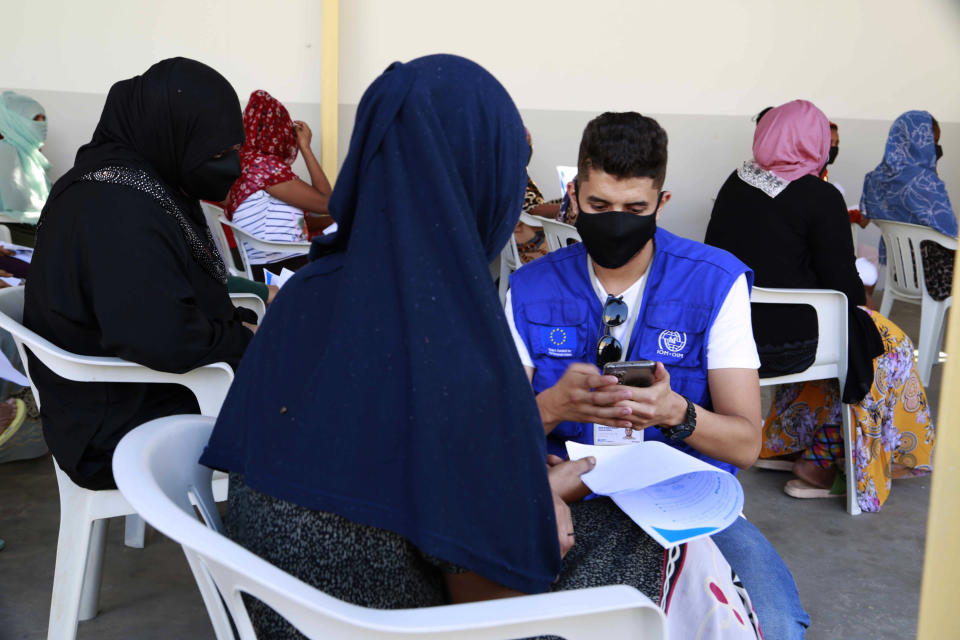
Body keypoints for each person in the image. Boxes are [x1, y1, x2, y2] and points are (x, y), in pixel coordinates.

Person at [201, 56, 761, 640]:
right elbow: (491, 597)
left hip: (276, 612)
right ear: (483, 183)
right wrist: (533, 500)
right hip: (397, 623)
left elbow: (403, 468)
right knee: (650, 565)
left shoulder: (305, 292)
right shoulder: (453, 332)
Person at [506, 111, 806, 639]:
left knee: (775, 624)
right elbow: (491, 435)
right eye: (599, 206)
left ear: (661, 203)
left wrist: (678, 413)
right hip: (561, 494)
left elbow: (745, 444)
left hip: (684, 504)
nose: (616, 220)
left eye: (635, 208)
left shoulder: (714, 283)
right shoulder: (529, 289)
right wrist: (554, 406)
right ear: (572, 195)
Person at [24, 58, 254, 490]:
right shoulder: (116, 207)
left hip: (132, 390)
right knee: (311, 408)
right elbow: (162, 337)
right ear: (171, 134)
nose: (233, 165)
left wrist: (234, 328)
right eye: (218, 154)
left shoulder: (133, 185)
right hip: (113, 426)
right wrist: (246, 339)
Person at [705, 100, 934, 512]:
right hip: (791, 342)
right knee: (887, 344)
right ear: (814, 145)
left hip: (733, 335)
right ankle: (822, 462)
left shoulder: (735, 183)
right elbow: (844, 286)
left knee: (851, 334)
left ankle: (784, 444)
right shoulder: (819, 195)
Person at [225, 90, 332, 281]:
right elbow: (327, 202)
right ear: (278, 131)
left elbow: (297, 224)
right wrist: (306, 148)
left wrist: (336, 221)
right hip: (279, 270)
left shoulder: (245, 164)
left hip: (263, 267)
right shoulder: (264, 168)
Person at [861, 111, 955, 302]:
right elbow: (951, 232)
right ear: (918, 142)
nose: (934, 149)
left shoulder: (875, 179)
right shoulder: (925, 182)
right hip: (936, 275)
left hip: (899, 272)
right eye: (931, 142)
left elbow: (865, 218)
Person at [0, 91, 51, 246]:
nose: (41, 125)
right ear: (12, 121)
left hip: (34, 230)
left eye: (43, 119)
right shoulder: (5, 153)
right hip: (15, 233)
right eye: (35, 120)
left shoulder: (31, 157)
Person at [513, 129, 562, 264]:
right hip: (532, 244)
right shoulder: (513, 175)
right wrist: (569, 207)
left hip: (522, 238)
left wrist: (564, 201)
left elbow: (535, 204)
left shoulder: (511, 170)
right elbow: (534, 209)